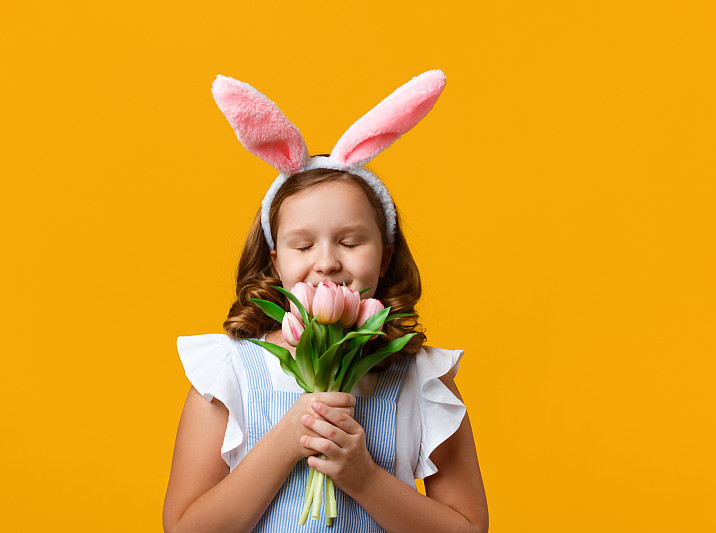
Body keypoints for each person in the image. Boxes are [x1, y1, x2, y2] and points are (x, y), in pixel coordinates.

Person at [163, 71, 489, 533]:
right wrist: (284, 442)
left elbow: (469, 529)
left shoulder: (422, 378)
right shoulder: (228, 373)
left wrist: (364, 478)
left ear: (386, 254)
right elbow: (186, 528)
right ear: (275, 262)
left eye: (351, 242)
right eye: (303, 246)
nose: (327, 263)